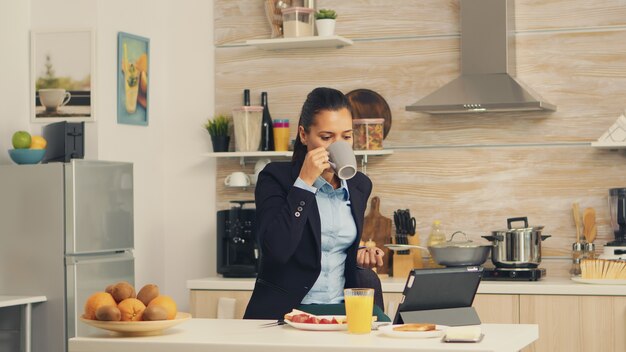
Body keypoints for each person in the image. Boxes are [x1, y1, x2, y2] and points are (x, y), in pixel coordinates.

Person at [243, 87, 387, 321]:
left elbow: (332, 245)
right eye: (327, 137)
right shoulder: (275, 178)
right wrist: (304, 184)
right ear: (303, 134)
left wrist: (359, 252)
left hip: (343, 313)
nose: (337, 145)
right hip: (287, 313)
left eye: (346, 136)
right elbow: (276, 250)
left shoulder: (360, 185)